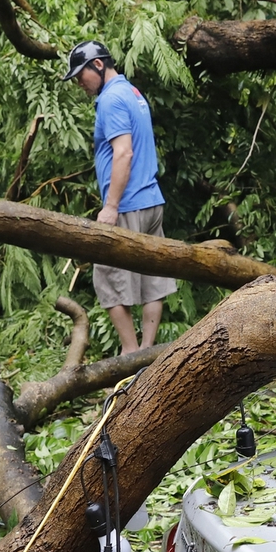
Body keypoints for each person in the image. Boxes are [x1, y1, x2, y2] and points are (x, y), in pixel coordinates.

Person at [63, 40, 177, 354]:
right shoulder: (132, 92)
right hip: (152, 202)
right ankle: (148, 352)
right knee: (153, 279)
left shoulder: (111, 99)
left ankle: (131, 352)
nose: (79, 83)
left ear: (98, 65)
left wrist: (110, 206)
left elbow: (123, 153)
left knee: (107, 280)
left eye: (80, 75)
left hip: (128, 206)